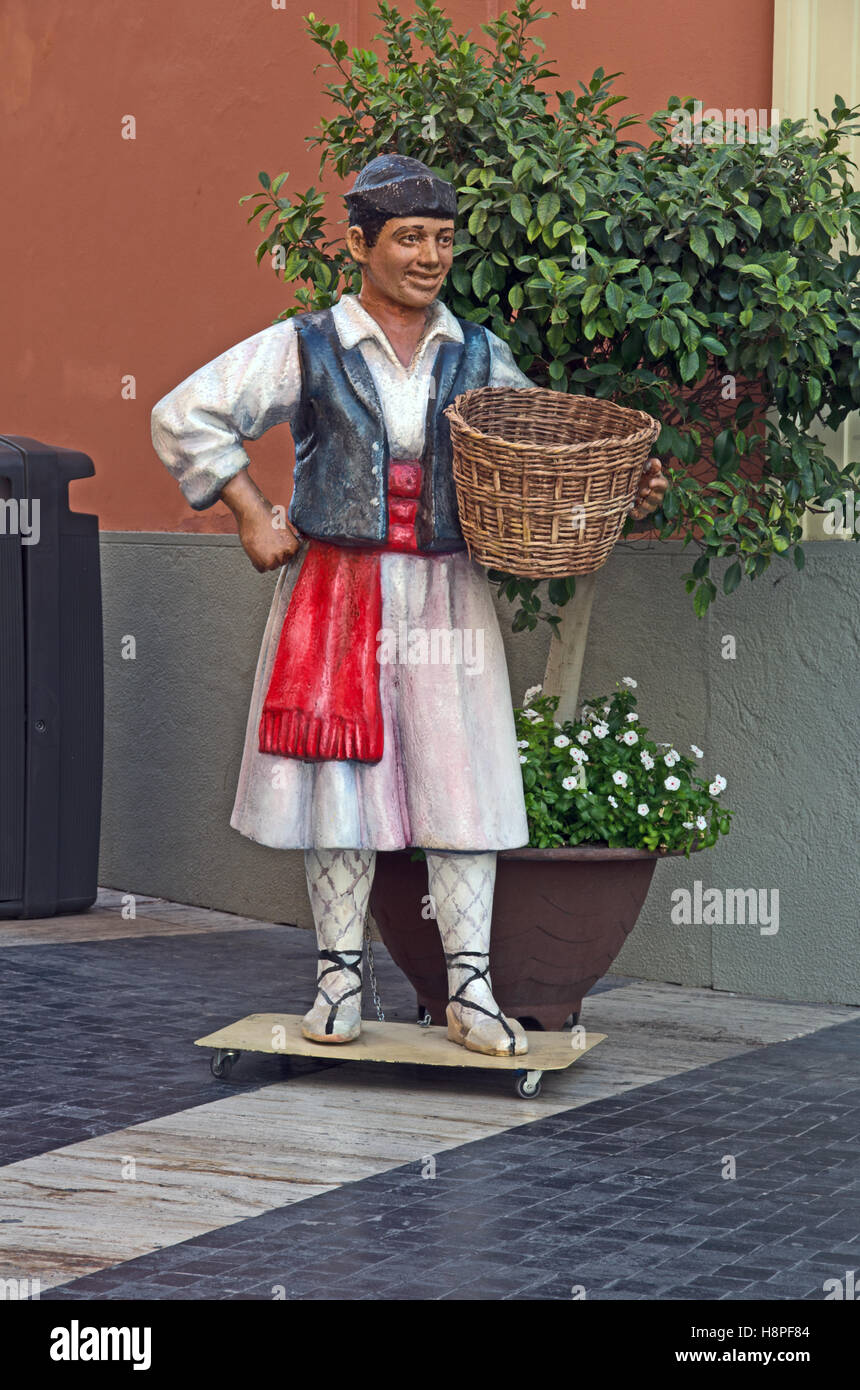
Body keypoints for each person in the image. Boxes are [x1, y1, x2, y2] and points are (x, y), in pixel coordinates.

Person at [151, 154, 667, 1058]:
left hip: (445, 588)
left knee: (459, 778)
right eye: (408, 237)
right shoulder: (307, 344)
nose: (430, 255)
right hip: (337, 592)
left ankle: (469, 986)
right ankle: (339, 983)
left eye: (442, 237)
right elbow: (184, 413)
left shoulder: (476, 354)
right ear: (359, 244)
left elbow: (531, 454)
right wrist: (249, 514)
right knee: (338, 789)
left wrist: (617, 488)